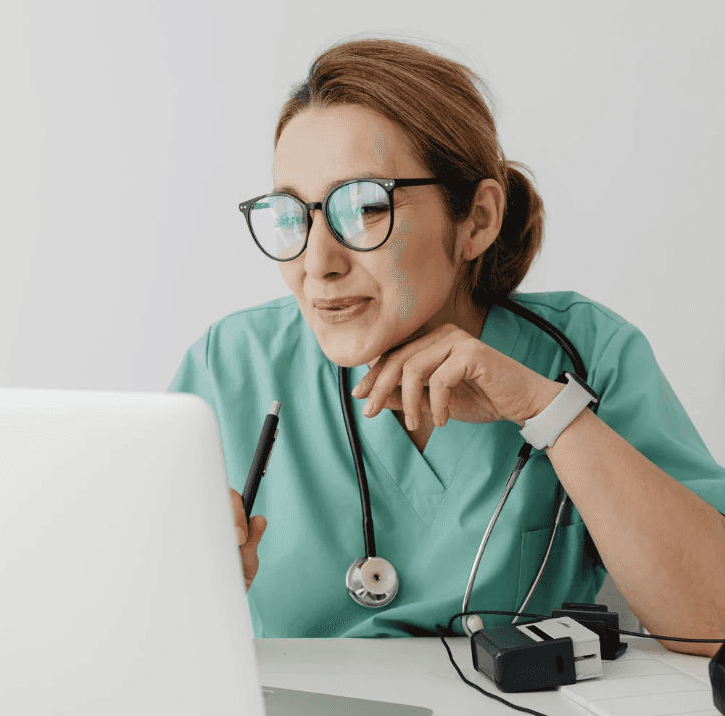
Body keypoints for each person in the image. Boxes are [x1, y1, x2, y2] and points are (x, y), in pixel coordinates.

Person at [169, 37, 725, 655]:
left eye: (363, 207)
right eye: (292, 214)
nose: (316, 263)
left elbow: (715, 621)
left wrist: (552, 416)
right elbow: (115, 638)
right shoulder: (233, 365)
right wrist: (187, 593)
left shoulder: (585, 353)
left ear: (477, 220)